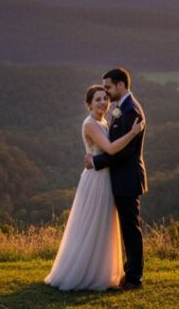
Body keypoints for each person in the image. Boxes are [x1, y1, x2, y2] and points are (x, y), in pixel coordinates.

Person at [45, 84, 144, 291]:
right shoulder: (90, 124)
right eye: (97, 99)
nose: (102, 102)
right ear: (88, 104)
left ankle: (102, 273)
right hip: (96, 180)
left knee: (104, 226)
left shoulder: (105, 122)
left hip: (107, 179)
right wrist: (133, 133)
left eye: (105, 98)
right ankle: (84, 272)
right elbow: (109, 149)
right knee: (92, 225)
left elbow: (106, 152)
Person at [85, 67, 147, 290]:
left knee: (131, 229)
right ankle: (128, 273)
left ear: (121, 85)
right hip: (121, 178)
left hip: (128, 178)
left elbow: (126, 151)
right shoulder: (122, 108)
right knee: (127, 228)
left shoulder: (131, 111)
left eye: (109, 88)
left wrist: (96, 162)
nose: (107, 94)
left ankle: (133, 279)